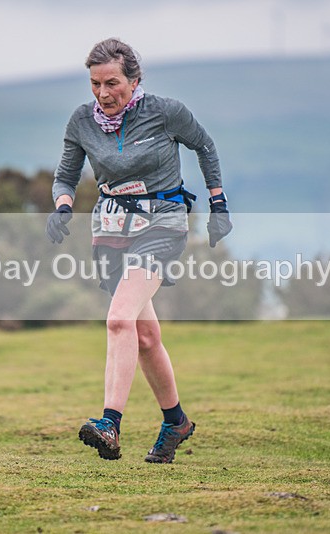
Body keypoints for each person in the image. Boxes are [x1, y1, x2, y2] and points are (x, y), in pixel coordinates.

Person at [46, 38, 232, 463]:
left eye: (112, 82)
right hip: (112, 229)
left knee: (118, 319)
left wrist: (218, 203)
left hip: (162, 225)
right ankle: (176, 422)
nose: (103, 93)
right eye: (95, 84)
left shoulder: (166, 113)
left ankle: (110, 422)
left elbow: (204, 146)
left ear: (133, 80)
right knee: (145, 336)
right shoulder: (82, 121)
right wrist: (62, 207)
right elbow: (66, 175)